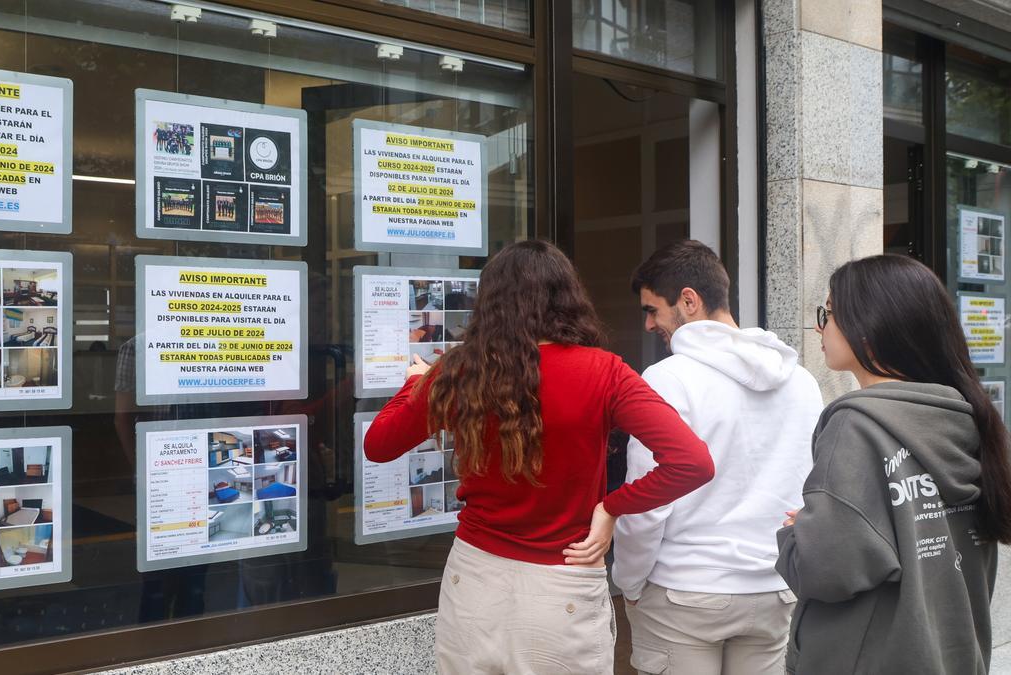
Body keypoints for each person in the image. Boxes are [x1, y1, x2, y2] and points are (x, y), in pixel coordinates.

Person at [364, 240, 715, 674]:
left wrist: (416, 383)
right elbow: (692, 462)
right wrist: (612, 506)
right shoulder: (604, 372)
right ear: (567, 299)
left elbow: (378, 445)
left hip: (473, 580)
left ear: (491, 303)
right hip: (562, 588)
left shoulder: (459, 371)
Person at [776, 254, 1011, 674]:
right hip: (955, 656)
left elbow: (827, 569)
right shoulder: (967, 416)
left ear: (869, 330)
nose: (819, 327)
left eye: (827, 313)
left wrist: (796, 536)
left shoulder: (857, 425)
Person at [613, 240, 823, 674]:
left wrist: (628, 580)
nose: (650, 325)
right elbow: (813, 487)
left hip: (684, 592)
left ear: (688, 300)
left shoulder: (667, 379)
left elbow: (646, 502)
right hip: (774, 588)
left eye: (653, 310)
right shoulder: (801, 381)